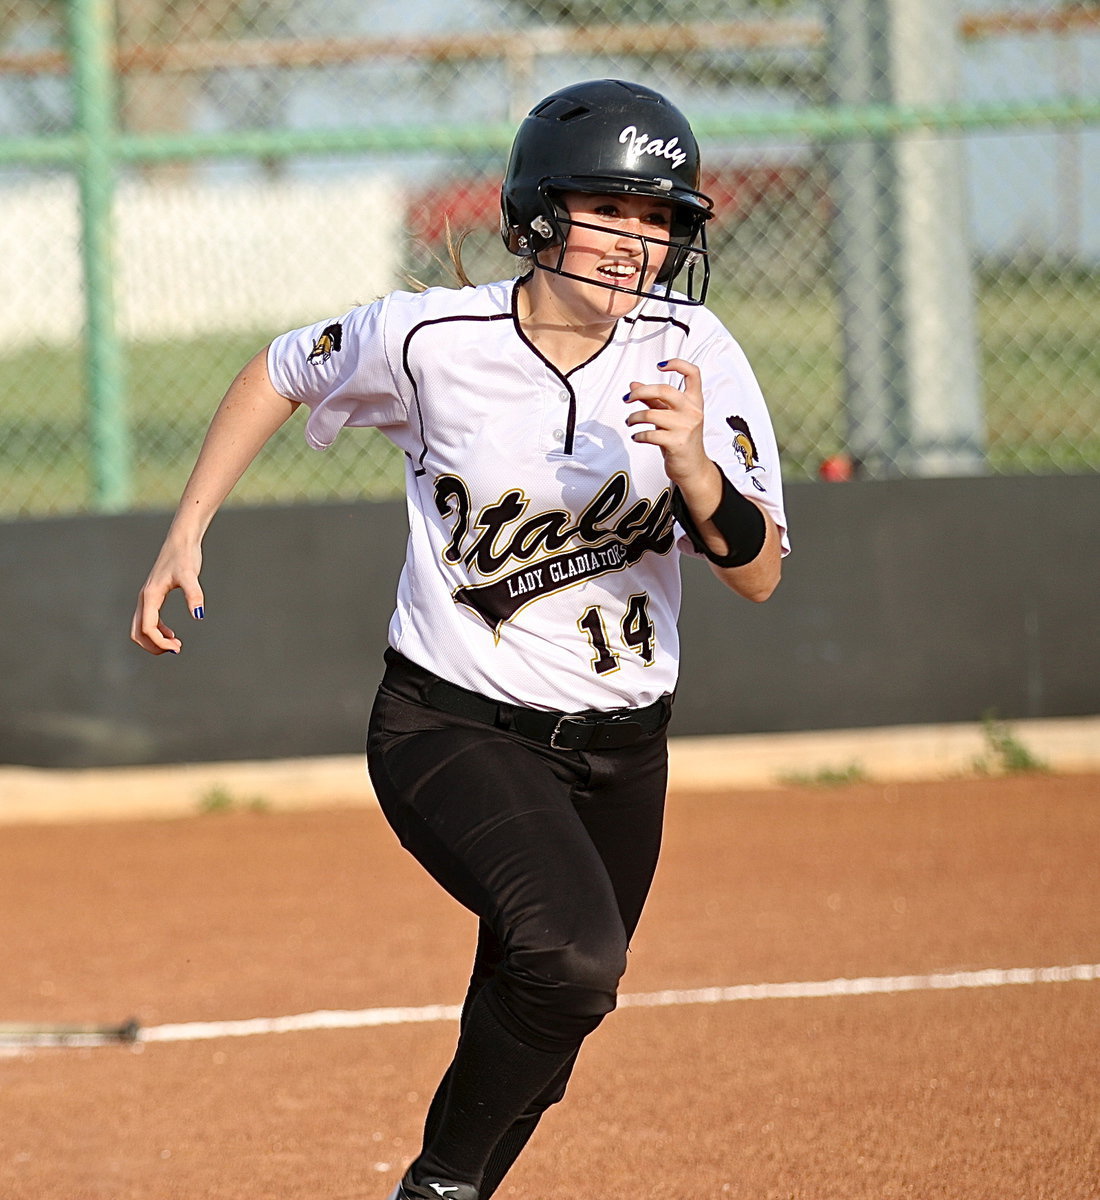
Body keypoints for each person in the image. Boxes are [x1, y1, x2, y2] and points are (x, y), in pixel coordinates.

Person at [131, 78, 789, 1200]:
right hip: (449, 724)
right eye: (610, 208)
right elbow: (279, 372)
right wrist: (186, 528)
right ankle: (435, 1189)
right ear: (537, 212)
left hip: (624, 747)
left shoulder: (695, 348)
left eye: (660, 218)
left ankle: (449, 1187)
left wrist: (690, 461)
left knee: (555, 1011)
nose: (640, 240)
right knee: (571, 955)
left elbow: (759, 573)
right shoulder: (429, 336)